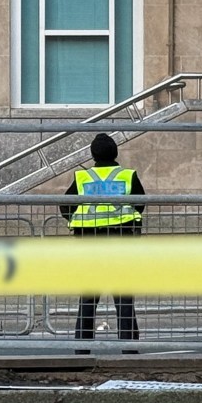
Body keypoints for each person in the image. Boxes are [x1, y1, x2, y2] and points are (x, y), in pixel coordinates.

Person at [60, 132, 144, 348]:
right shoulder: (127, 175)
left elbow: (65, 206)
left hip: (90, 244)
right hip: (121, 243)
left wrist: (81, 223)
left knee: (88, 298)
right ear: (115, 153)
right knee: (124, 299)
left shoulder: (83, 177)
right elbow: (140, 203)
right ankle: (129, 348)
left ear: (93, 155)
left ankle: (83, 347)